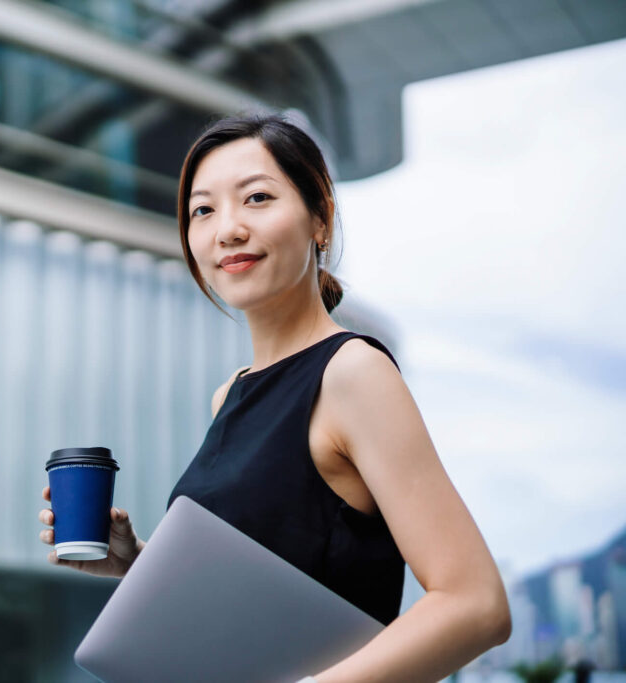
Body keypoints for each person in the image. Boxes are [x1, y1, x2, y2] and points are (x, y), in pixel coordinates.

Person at [38, 113, 511, 681]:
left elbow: (475, 604)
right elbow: (260, 597)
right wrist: (136, 563)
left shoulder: (351, 372)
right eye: (203, 210)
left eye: (257, 198)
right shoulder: (229, 395)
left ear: (321, 220)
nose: (227, 229)